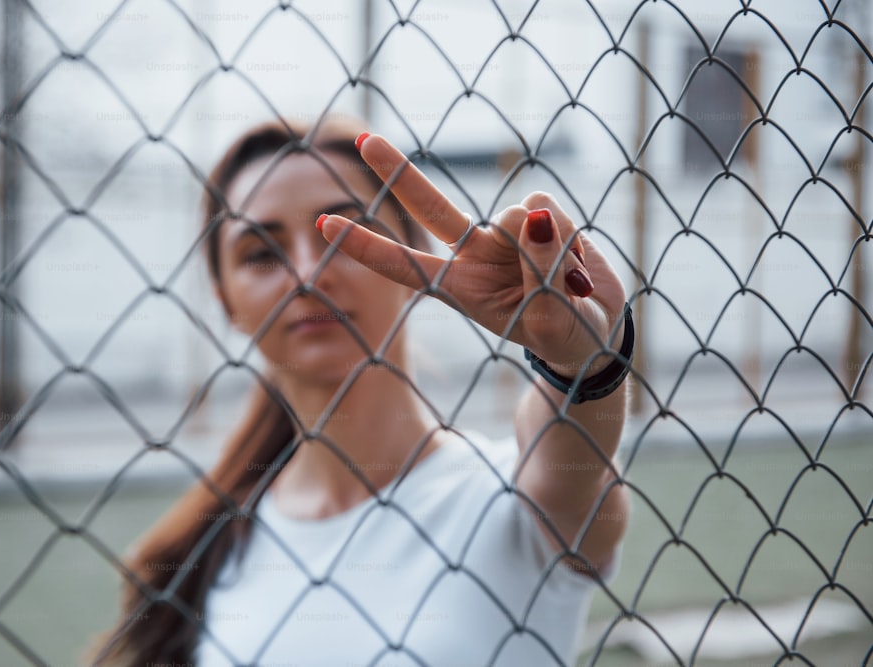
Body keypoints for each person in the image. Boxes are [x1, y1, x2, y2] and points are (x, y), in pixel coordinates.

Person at [90, 116, 633, 666]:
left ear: (415, 254)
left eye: (346, 234)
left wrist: (581, 363)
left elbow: (568, 455)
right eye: (261, 252)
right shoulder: (211, 555)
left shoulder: (518, 503)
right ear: (226, 300)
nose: (306, 273)